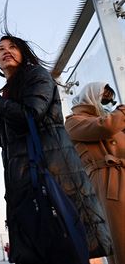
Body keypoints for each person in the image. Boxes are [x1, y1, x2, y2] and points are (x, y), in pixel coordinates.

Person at [0, 34, 112, 264]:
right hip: (27, 185)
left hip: (53, 179)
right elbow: (8, 141)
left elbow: (30, 114)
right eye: (0, 50)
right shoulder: (8, 93)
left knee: (63, 248)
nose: (6, 51)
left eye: (13, 47)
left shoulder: (36, 76)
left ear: (23, 53)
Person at [65, 82, 125, 264]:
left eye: (110, 101)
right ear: (90, 95)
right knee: (120, 239)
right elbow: (103, 127)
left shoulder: (115, 122)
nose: (108, 105)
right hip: (107, 181)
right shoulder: (73, 121)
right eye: (104, 98)